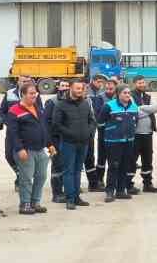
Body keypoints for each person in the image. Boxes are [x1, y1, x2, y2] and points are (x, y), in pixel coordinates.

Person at [49, 79, 96, 209]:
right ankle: (70, 199)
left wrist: (88, 132)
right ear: (70, 88)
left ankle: (76, 197)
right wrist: (70, 133)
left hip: (84, 142)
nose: (79, 91)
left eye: (81, 88)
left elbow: (92, 120)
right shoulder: (61, 104)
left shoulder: (86, 103)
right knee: (68, 171)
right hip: (68, 143)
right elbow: (56, 125)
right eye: (77, 88)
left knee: (77, 170)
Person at [6, 83, 51, 215]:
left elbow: (43, 128)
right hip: (26, 150)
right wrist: (20, 149)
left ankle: (35, 202)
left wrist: (49, 144)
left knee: (41, 176)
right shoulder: (14, 110)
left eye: (35, 93)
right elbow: (13, 133)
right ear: (23, 94)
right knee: (26, 178)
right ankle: (25, 204)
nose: (34, 95)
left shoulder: (37, 108)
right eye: (31, 93)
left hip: (40, 149)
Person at [100, 85, 139, 201]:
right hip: (113, 142)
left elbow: (135, 121)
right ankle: (110, 191)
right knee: (114, 166)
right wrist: (109, 134)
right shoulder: (109, 106)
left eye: (128, 93)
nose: (127, 95)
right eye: (124, 93)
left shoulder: (134, 106)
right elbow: (101, 123)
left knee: (124, 166)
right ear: (118, 94)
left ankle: (121, 190)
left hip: (128, 141)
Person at [130, 76, 157, 193]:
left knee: (148, 160)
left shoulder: (148, 96)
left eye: (143, 82)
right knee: (132, 160)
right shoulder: (131, 96)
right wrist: (148, 110)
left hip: (148, 133)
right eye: (139, 83)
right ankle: (128, 184)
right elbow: (134, 112)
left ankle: (147, 184)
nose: (142, 84)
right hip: (135, 134)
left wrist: (142, 108)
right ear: (134, 84)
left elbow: (156, 108)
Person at [86, 74, 109, 192]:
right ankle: (92, 182)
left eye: (102, 83)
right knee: (88, 154)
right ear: (93, 81)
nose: (101, 84)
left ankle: (96, 182)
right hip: (86, 126)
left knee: (96, 154)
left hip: (97, 126)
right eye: (99, 82)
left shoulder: (101, 93)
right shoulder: (85, 90)